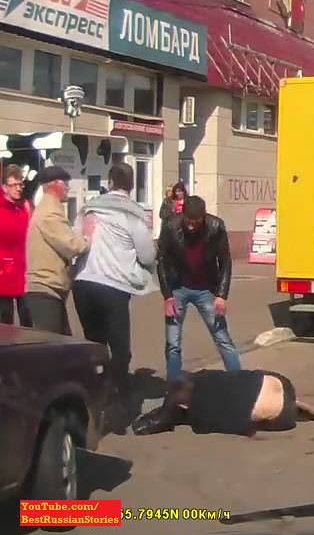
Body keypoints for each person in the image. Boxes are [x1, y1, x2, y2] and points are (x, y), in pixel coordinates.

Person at [73, 162, 156, 428]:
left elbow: (77, 241)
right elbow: (146, 255)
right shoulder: (132, 214)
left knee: (95, 346)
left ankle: (92, 403)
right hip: (113, 288)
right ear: (131, 186)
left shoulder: (90, 208)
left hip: (83, 284)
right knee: (120, 350)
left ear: (110, 181)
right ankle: (118, 409)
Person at [157, 195, 239, 382]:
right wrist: (167, 296)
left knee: (223, 339)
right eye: (188, 221)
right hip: (178, 287)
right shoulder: (171, 226)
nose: (191, 226)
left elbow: (225, 261)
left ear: (204, 217)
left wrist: (221, 295)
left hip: (206, 289)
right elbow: (161, 261)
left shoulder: (216, 226)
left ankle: (238, 382)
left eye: (196, 222)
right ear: (182, 215)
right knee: (173, 343)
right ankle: (174, 388)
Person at [132, 369, 314, 437]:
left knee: (245, 397)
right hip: (276, 388)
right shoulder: (204, 380)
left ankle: (304, 407)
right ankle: (309, 407)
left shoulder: (199, 418)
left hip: (277, 417)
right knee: (247, 387)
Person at [24, 167, 88, 335]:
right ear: (53, 185)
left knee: (60, 346)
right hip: (44, 288)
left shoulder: (49, 209)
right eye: (65, 183)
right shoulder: (49, 213)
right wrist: (88, 238)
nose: (67, 187)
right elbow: (72, 245)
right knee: (51, 347)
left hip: (49, 289)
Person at [0, 164, 32, 326]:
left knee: (29, 319)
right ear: (4, 187)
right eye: (14, 185)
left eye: (20, 184)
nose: (18, 189)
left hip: (23, 270)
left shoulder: (24, 207)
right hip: (3, 272)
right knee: (5, 322)